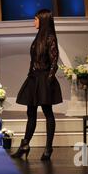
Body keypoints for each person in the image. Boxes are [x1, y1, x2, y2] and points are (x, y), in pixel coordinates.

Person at [12, 9, 62, 161]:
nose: (33, 22)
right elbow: (34, 60)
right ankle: (25, 145)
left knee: (48, 113)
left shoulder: (50, 38)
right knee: (31, 113)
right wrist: (30, 75)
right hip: (34, 78)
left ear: (43, 20)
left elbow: (54, 63)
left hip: (44, 79)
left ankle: (48, 148)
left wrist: (48, 80)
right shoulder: (39, 36)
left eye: (35, 19)